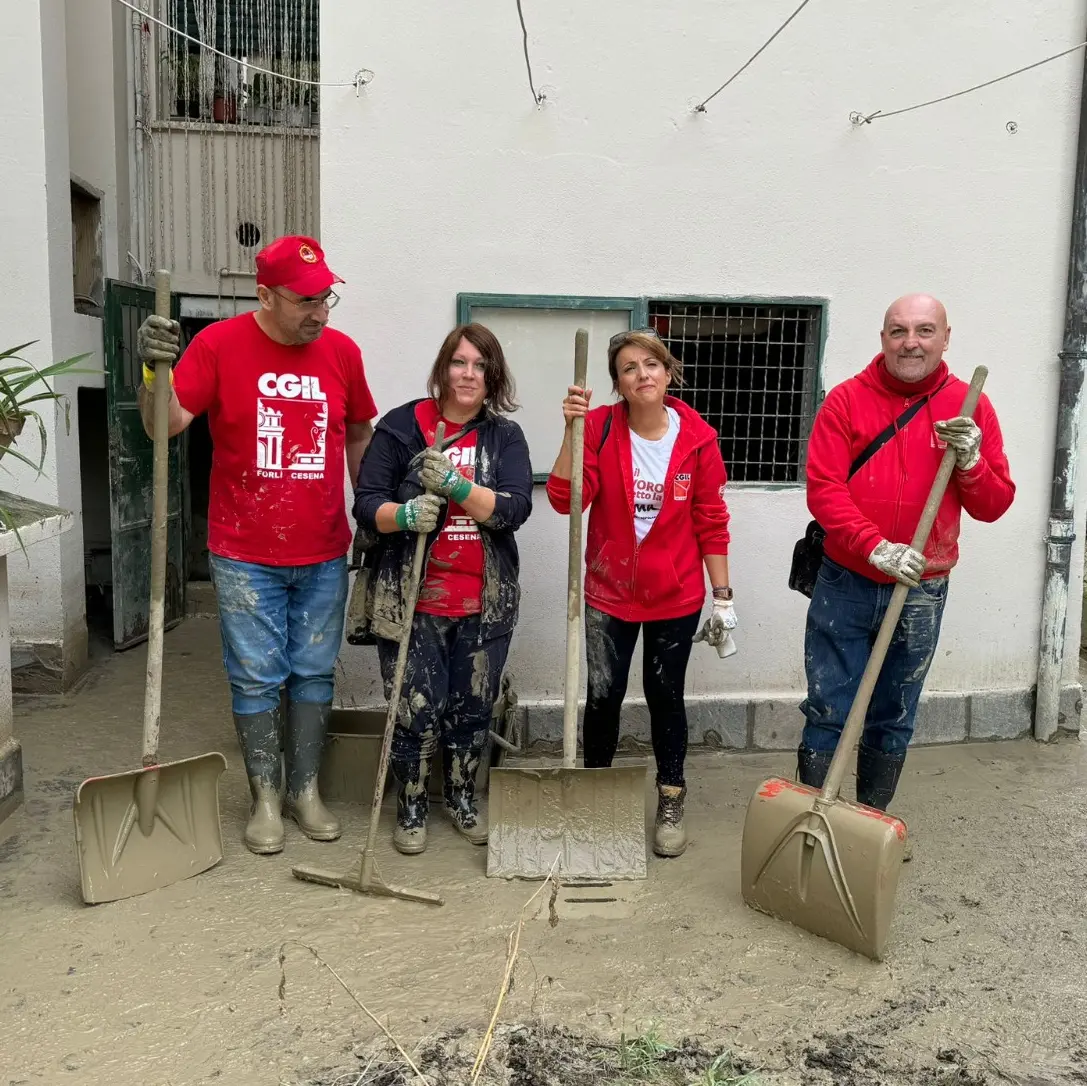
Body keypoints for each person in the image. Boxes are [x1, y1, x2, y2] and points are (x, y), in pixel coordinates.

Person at [135, 235, 378, 856]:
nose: (319, 312)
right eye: (304, 301)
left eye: (327, 297)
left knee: (314, 673)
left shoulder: (343, 353)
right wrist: (151, 371)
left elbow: (357, 437)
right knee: (255, 678)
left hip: (323, 547)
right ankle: (265, 797)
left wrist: (372, 508)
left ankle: (304, 791)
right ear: (264, 294)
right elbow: (163, 424)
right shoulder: (218, 345)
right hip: (243, 550)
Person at [799, 293, 1015, 813]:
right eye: (898, 331)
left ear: (944, 338)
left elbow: (994, 505)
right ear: (882, 339)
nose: (910, 342)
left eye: (923, 330)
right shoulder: (847, 401)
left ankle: (869, 824)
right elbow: (824, 489)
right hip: (846, 581)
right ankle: (814, 819)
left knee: (894, 712)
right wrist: (873, 547)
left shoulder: (969, 406)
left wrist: (972, 462)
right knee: (829, 707)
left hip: (921, 589)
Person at [547, 328, 734, 859]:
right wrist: (572, 431)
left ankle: (671, 797)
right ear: (618, 383)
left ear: (668, 372)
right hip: (608, 592)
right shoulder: (602, 428)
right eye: (629, 368)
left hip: (674, 597)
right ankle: (594, 797)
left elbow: (711, 520)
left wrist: (722, 596)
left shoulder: (698, 438)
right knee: (602, 697)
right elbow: (564, 499)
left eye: (651, 364)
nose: (642, 374)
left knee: (665, 696)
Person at [352, 323, 532, 855]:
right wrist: (405, 515)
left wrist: (458, 487)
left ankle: (461, 798)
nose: (469, 374)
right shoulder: (402, 427)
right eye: (459, 362)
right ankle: (409, 805)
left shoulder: (504, 437)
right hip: (412, 601)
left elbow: (514, 509)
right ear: (443, 368)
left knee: (472, 710)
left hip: (483, 601)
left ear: (492, 375)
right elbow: (365, 503)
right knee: (414, 708)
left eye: (480, 365)